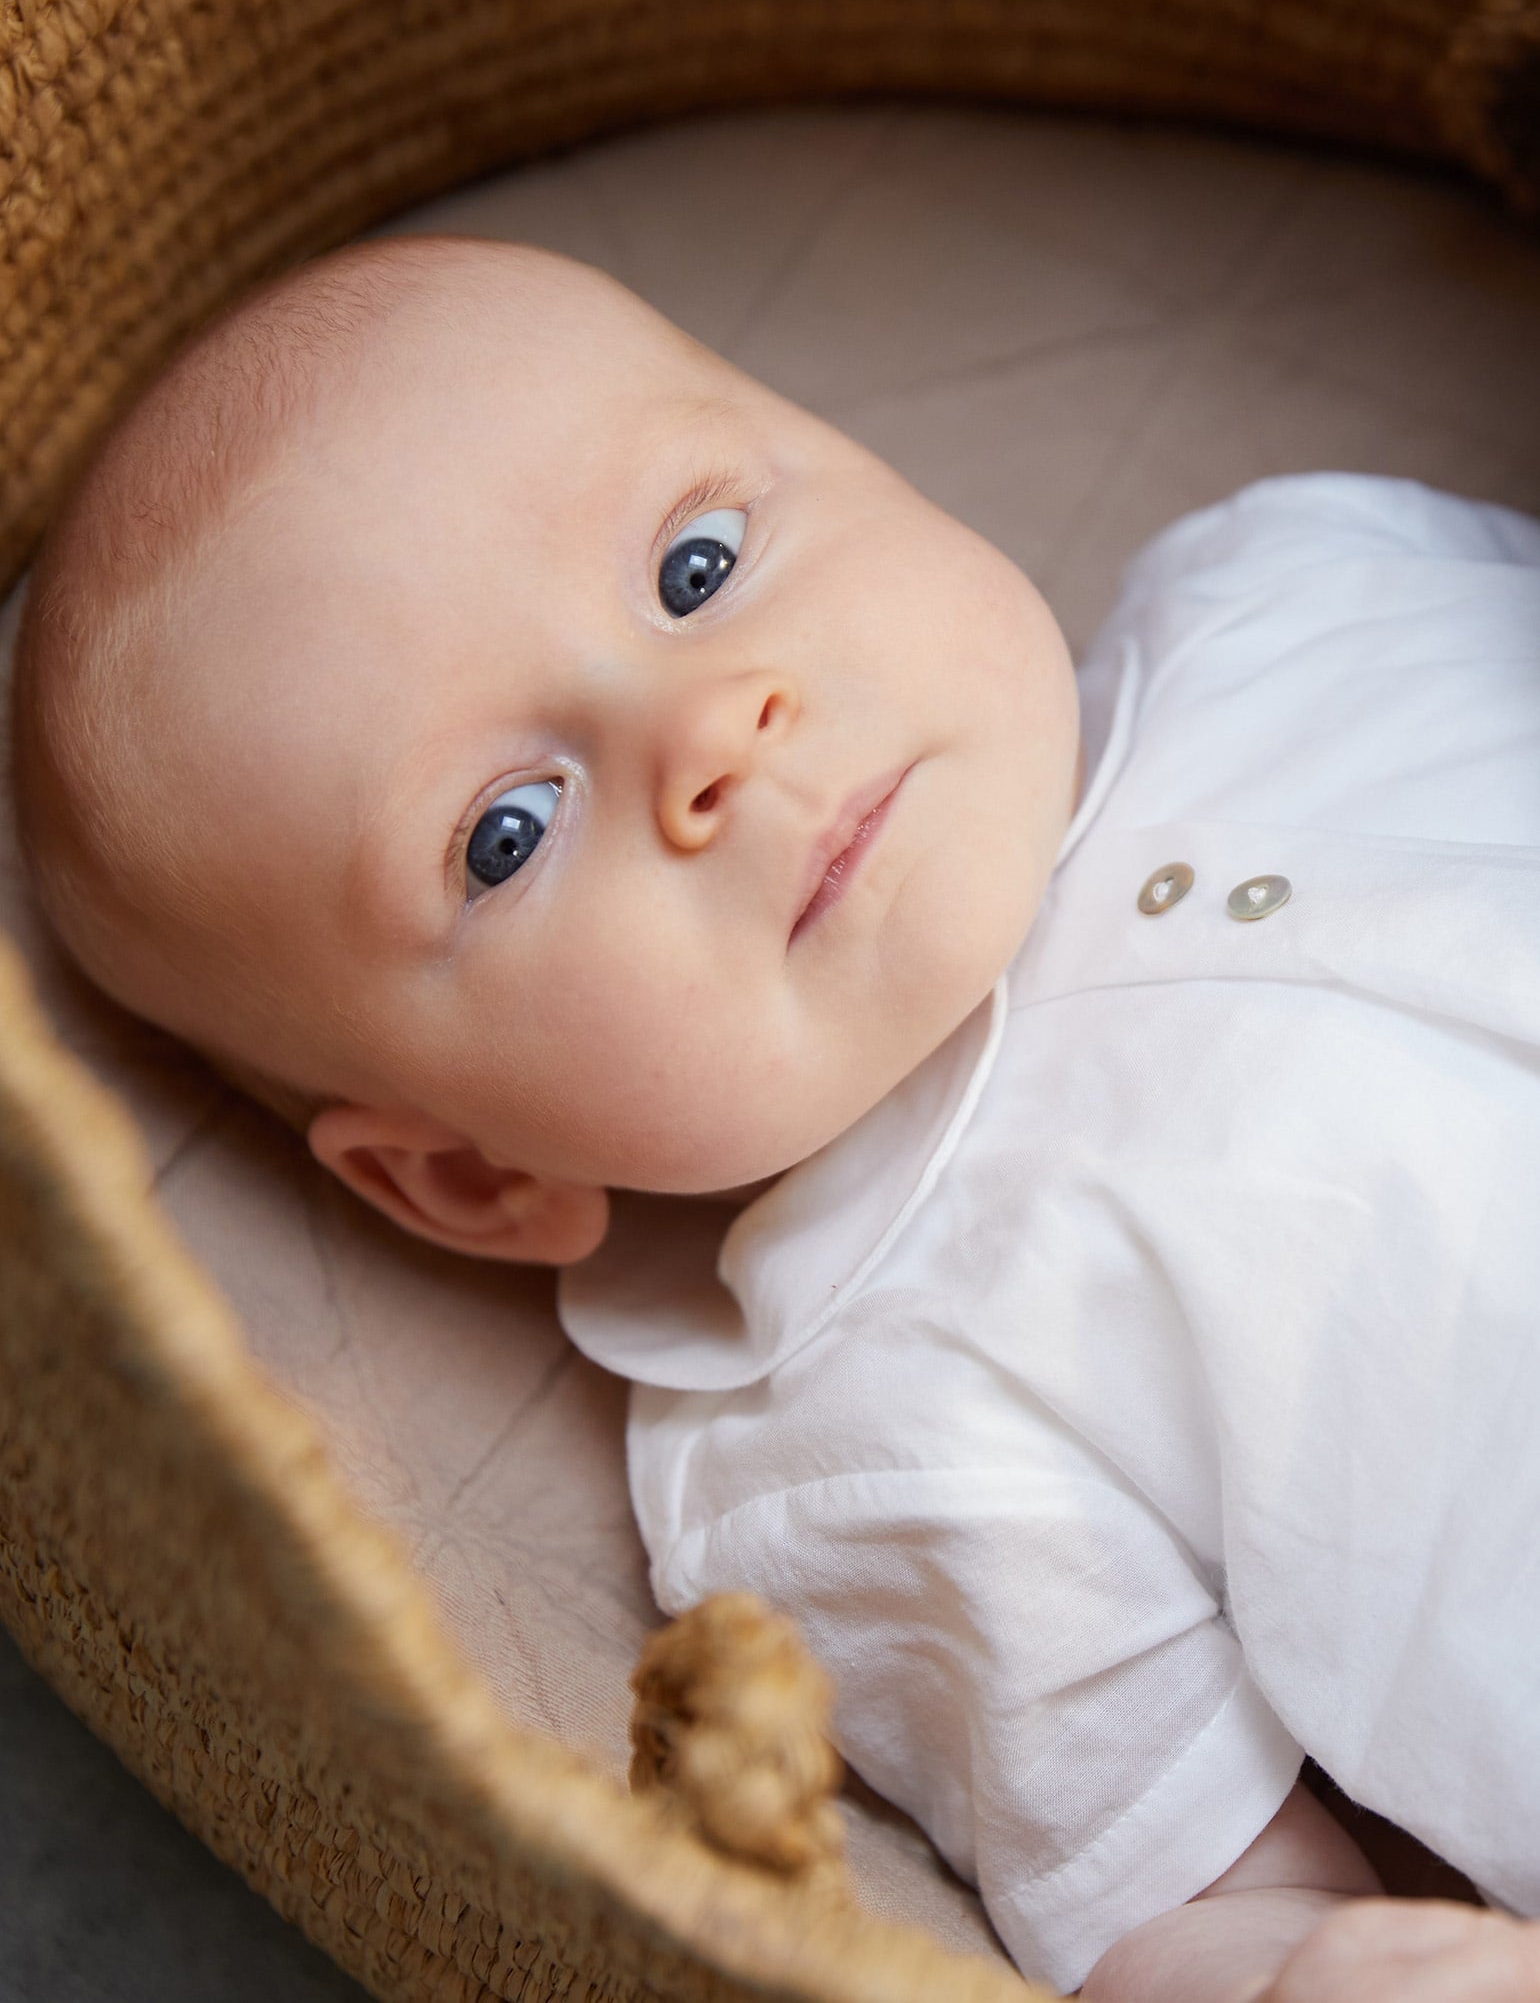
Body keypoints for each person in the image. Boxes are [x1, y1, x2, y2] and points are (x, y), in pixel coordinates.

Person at [10, 233, 1540, 2002]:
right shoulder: (853, 1425)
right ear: (472, 1171)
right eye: (508, 829)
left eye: (699, 561)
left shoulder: (1295, 578)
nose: (710, 727)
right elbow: (1193, 1906)